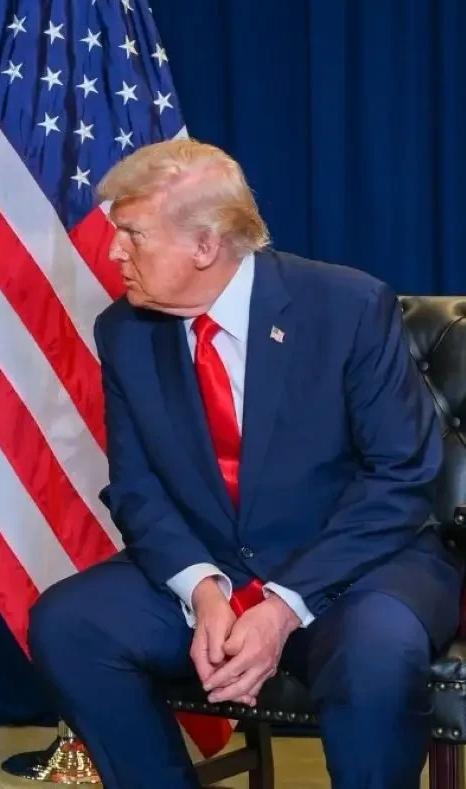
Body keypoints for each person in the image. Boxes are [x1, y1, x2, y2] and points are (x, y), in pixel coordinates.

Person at [28, 138, 463, 789]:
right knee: (70, 624)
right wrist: (204, 590)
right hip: (217, 565)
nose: (114, 251)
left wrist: (282, 605)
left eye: (132, 233)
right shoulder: (126, 330)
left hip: (360, 568)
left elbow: (401, 479)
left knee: (376, 653)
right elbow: (138, 489)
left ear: (205, 245)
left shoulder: (347, 307)